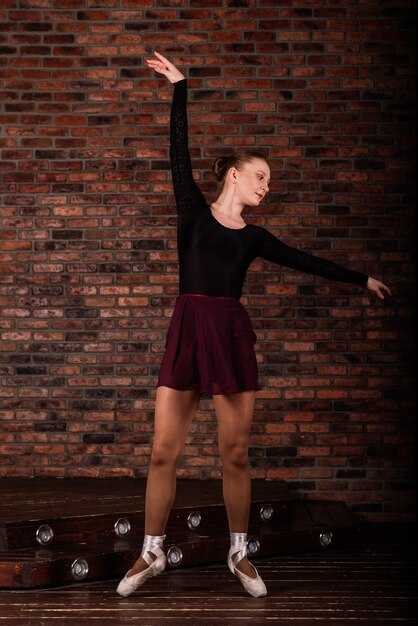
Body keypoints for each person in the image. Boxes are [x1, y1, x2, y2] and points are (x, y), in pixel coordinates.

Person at [116, 52, 391, 599]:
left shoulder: (254, 238)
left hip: (230, 334)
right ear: (236, 175)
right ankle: (151, 551)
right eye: (261, 177)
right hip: (188, 326)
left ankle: (239, 552)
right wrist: (180, 88)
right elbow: (178, 150)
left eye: (270, 181)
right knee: (162, 451)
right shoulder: (192, 210)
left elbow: (307, 260)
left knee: (234, 453)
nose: (267, 187)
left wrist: (362, 279)